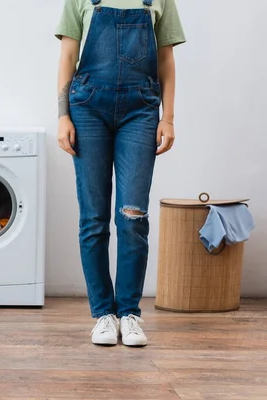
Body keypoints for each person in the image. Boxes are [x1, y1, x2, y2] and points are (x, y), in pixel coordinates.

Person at [55, 0, 185, 346]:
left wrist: (167, 118)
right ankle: (103, 315)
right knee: (94, 219)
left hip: (141, 111)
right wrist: (62, 115)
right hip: (86, 109)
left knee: (133, 216)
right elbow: (68, 56)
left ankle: (129, 313)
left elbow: (166, 60)